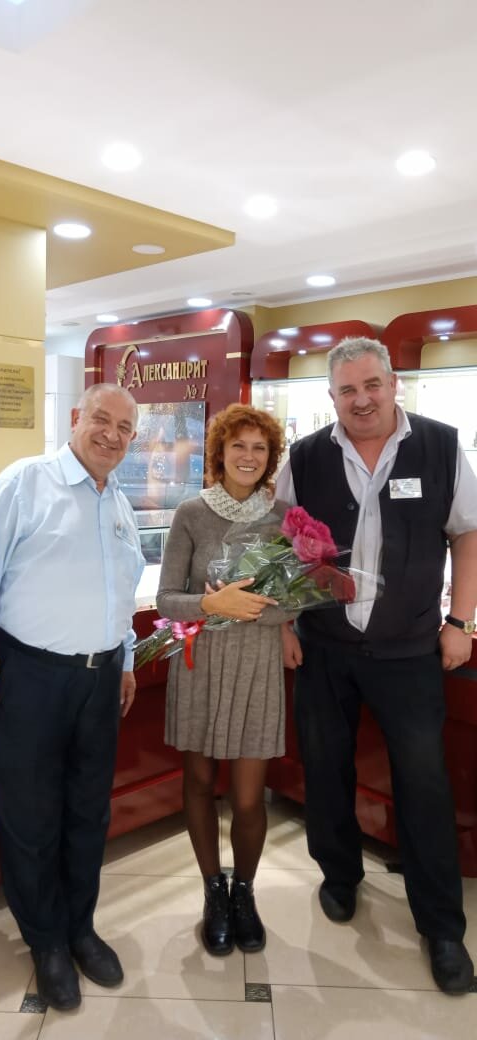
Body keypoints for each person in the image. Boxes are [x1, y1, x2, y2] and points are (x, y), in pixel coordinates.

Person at [277, 336, 477, 995]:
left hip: (409, 649)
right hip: (325, 647)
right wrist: (284, 623)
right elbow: (282, 544)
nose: (361, 400)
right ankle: (339, 876)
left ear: (393, 384)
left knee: (424, 784)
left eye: (371, 385)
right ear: (331, 396)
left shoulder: (441, 446)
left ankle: (441, 926)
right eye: (347, 390)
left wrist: (460, 622)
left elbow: (468, 533)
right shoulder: (305, 456)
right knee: (324, 768)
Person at [0, 383, 145, 1011]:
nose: (112, 435)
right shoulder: (26, 482)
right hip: (29, 677)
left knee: (88, 812)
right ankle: (46, 942)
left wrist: (123, 658)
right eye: (102, 420)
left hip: (99, 681)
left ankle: (80, 928)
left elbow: (121, 590)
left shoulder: (118, 500)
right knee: (31, 817)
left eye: (125, 428)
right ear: (75, 418)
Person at [156, 403, 291, 956]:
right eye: (239, 445)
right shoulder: (191, 514)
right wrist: (214, 604)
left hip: (257, 666)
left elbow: (295, 604)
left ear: (270, 458)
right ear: (220, 452)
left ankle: (245, 892)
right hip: (201, 664)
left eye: (259, 448)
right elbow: (167, 599)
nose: (248, 456)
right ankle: (213, 889)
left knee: (249, 796)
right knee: (198, 780)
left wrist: (252, 610)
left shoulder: (285, 519)